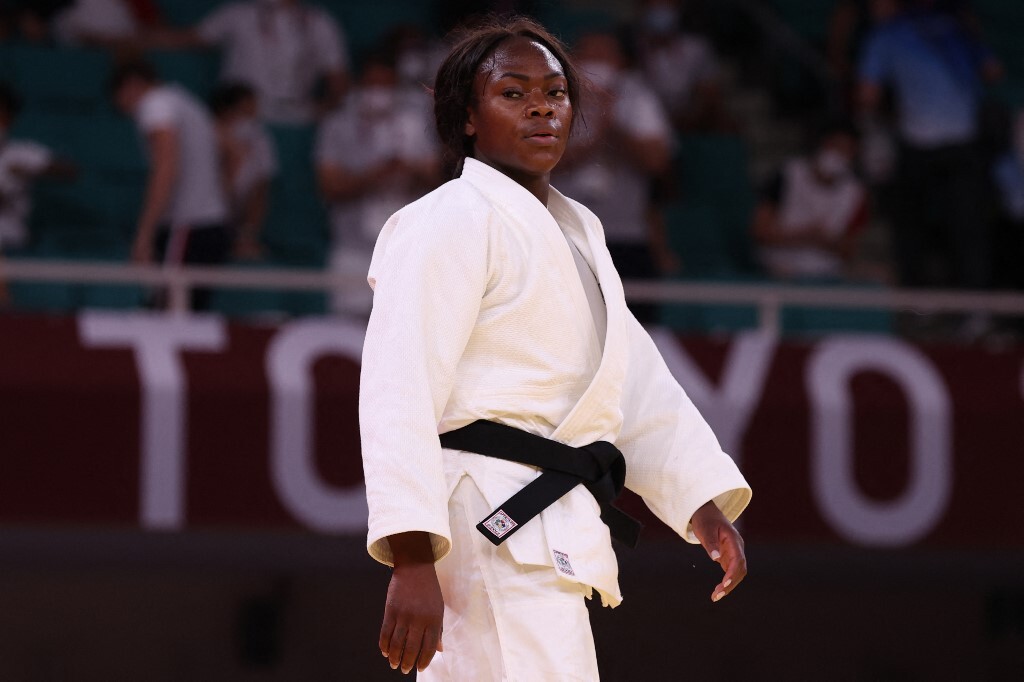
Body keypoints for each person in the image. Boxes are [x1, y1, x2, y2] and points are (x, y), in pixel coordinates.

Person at [359, 16, 751, 680]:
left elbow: (632, 383)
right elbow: (398, 387)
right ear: (468, 119)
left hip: (546, 527)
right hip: (486, 523)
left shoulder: (579, 233)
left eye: (555, 91)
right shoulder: (447, 219)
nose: (541, 105)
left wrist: (698, 499)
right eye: (513, 93)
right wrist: (411, 553)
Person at [857, 0, 1002, 291]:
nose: (872, 8)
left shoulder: (887, 35)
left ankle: (918, 301)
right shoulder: (957, 26)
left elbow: (867, 96)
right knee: (967, 230)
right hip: (962, 145)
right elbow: (993, 71)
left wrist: (892, 115)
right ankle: (975, 308)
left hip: (922, 145)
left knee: (913, 230)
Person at [551, 28, 674, 323]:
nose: (598, 62)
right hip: (565, 236)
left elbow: (657, 162)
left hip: (625, 236)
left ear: (620, 62)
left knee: (635, 331)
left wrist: (613, 121)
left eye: (605, 55)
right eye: (589, 55)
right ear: (572, 61)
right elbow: (541, 164)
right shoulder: (550, 100)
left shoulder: (639, 101)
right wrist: (596, 135)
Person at [314, 50, 439, 316]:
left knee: (406, 329)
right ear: (360, 85)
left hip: (406, 247)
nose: (378, 91)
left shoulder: (415, 124)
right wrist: (374, 176)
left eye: (385, 85)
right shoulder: (338, 124)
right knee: (348, 333)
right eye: (372, 84)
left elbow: (437, 180)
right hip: (352, 248)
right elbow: (329, 186)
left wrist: (409, 170)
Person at [111, 60, 229, 310]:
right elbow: (229, 149)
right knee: (188, 314)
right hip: (212, 223)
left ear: (131, 86)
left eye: (121, 101)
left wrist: (145, 232)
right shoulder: (188, 102)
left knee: (168, 315)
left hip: (187, 226)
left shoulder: (156, 105)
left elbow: (166, 167)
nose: (127, 111)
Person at [146, 0, 350, 125]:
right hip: (241, 113)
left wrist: (327, 108)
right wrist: (131, 38)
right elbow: (189, 38)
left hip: (296, 115)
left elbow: (337, 79)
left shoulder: (319, 22)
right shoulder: (237, 13)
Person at [753, 121, 868, 281]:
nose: (839, 154)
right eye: (835, 146)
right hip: (778, 270)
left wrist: (825, 241)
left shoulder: (855, 192)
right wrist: (805, 236)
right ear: (821, 144)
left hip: (826, 276)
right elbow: (760, 232)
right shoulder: (787, 175)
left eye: (847, 150)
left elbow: (849, 249)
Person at [0, 81, 76, 306]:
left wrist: (35, 169)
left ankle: (4, 306)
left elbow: (70, 170)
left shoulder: (20, 152)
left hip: (10, 233)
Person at [209, 82, 277, 261]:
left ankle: (245, 237)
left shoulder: (260, 136)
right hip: (211, 200)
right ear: (226, 111)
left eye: (252, 112)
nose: (249, 119)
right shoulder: (209, 130)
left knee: (259, 187)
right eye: (243, 112)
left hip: (245, 202)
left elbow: (264, 181)